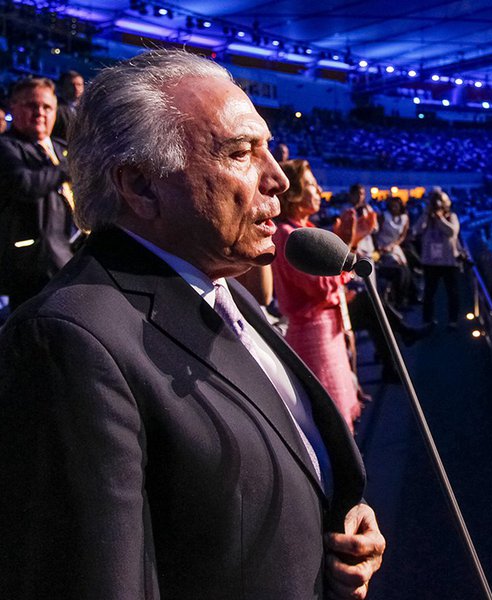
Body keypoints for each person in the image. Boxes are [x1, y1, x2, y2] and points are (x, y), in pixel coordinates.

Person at [0, 50, 384, 599]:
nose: (275, 177)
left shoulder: (219, 281)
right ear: (141, 187)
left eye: (268, 150)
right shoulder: (66, 340)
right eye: (241, 152)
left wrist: (336, 517)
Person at [270, 159, 361, 430]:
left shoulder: (301, 228)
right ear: (294, 193)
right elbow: (322, 287)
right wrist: (346, 250)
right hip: (314, 335)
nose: (319, 190)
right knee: (331, 416)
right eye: (310, 184)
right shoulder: (290, 235)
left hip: (325, 331)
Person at [0, 76, 75, 309]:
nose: (40, 112)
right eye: (32, 106)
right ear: (14, 107)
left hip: (74, 253)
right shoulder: (6, 147)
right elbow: (25, 184)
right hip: (32, 263)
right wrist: (66, 169)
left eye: (47, 107)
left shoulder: (63, 149)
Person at [414, 187, 462, 329]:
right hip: (430, 262)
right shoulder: (427, 217)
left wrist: (440, 219)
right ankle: (428, 319)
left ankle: (453, 320)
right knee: (429, 292)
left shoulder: (451, 217)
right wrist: (426, 215)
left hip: (448, 262)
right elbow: (417, 230)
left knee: (452, 292)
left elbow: (452, 232)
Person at [52, 69, 84, 141]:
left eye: (79, 85)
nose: (76, 88)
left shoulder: (86, 110)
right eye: (72, 85)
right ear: (62, 86)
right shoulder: (55, 108)